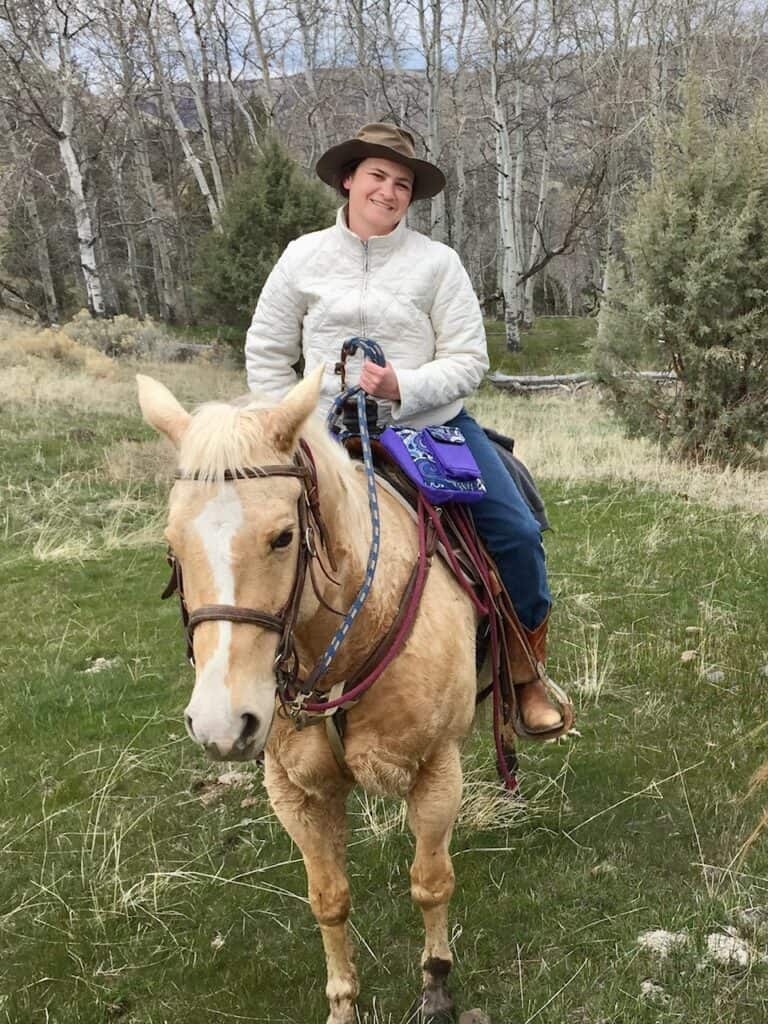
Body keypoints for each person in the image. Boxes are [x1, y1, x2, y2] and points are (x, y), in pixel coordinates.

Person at [245, 123, 564, 734]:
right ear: (348, 179)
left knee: (517, 533)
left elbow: (470, 359)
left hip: (427, 427)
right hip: (321, 434)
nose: (388, 192)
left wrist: (402, 388)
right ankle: (260, 678)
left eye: (401, 184)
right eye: (376, 177)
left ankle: (525, 675)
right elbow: (266, 351)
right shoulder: (302, 258)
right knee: (250, 536)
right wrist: (283, 423)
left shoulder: (437, 265)